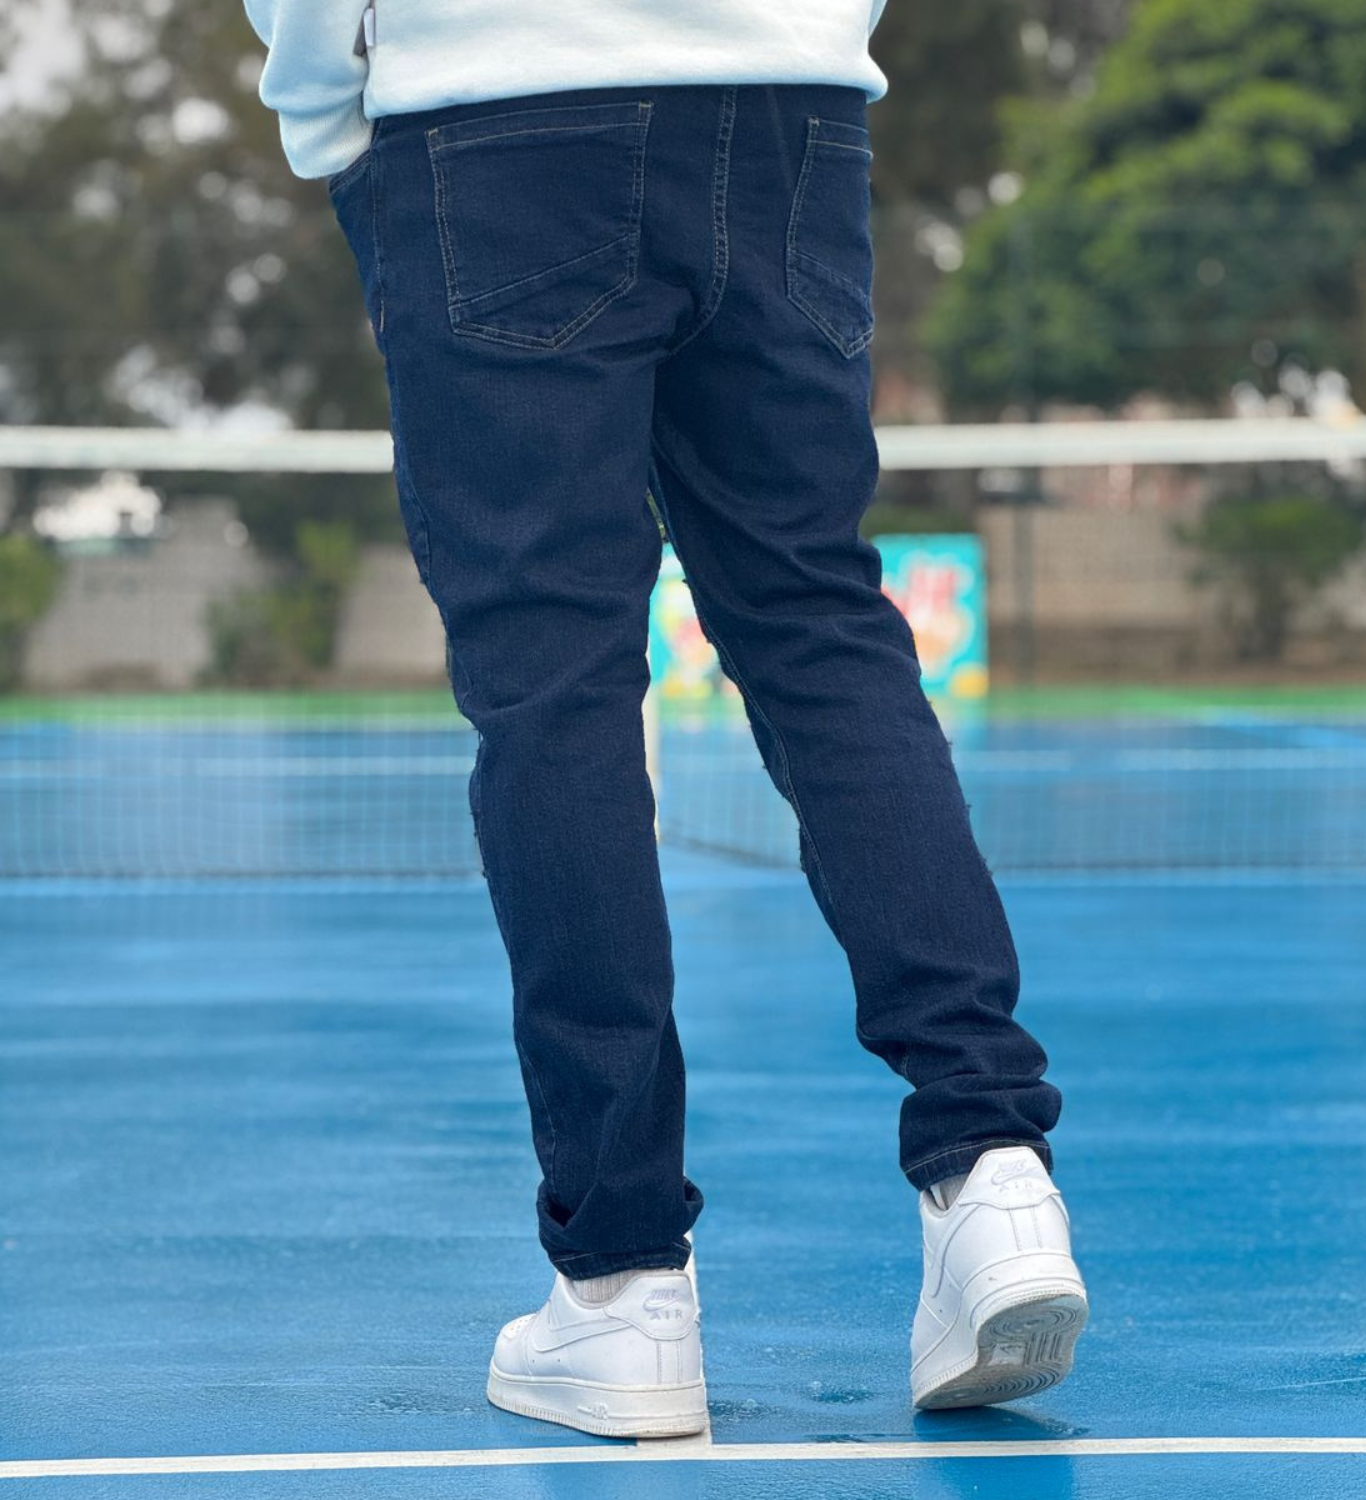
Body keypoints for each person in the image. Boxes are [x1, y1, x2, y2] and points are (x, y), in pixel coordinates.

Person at [242, 0, 1088, 1439]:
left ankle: (624, 1287)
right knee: (820, 625)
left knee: (553, 685)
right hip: (788, 113)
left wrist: (331, 112)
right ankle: (993, 1175)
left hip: (492, 118)